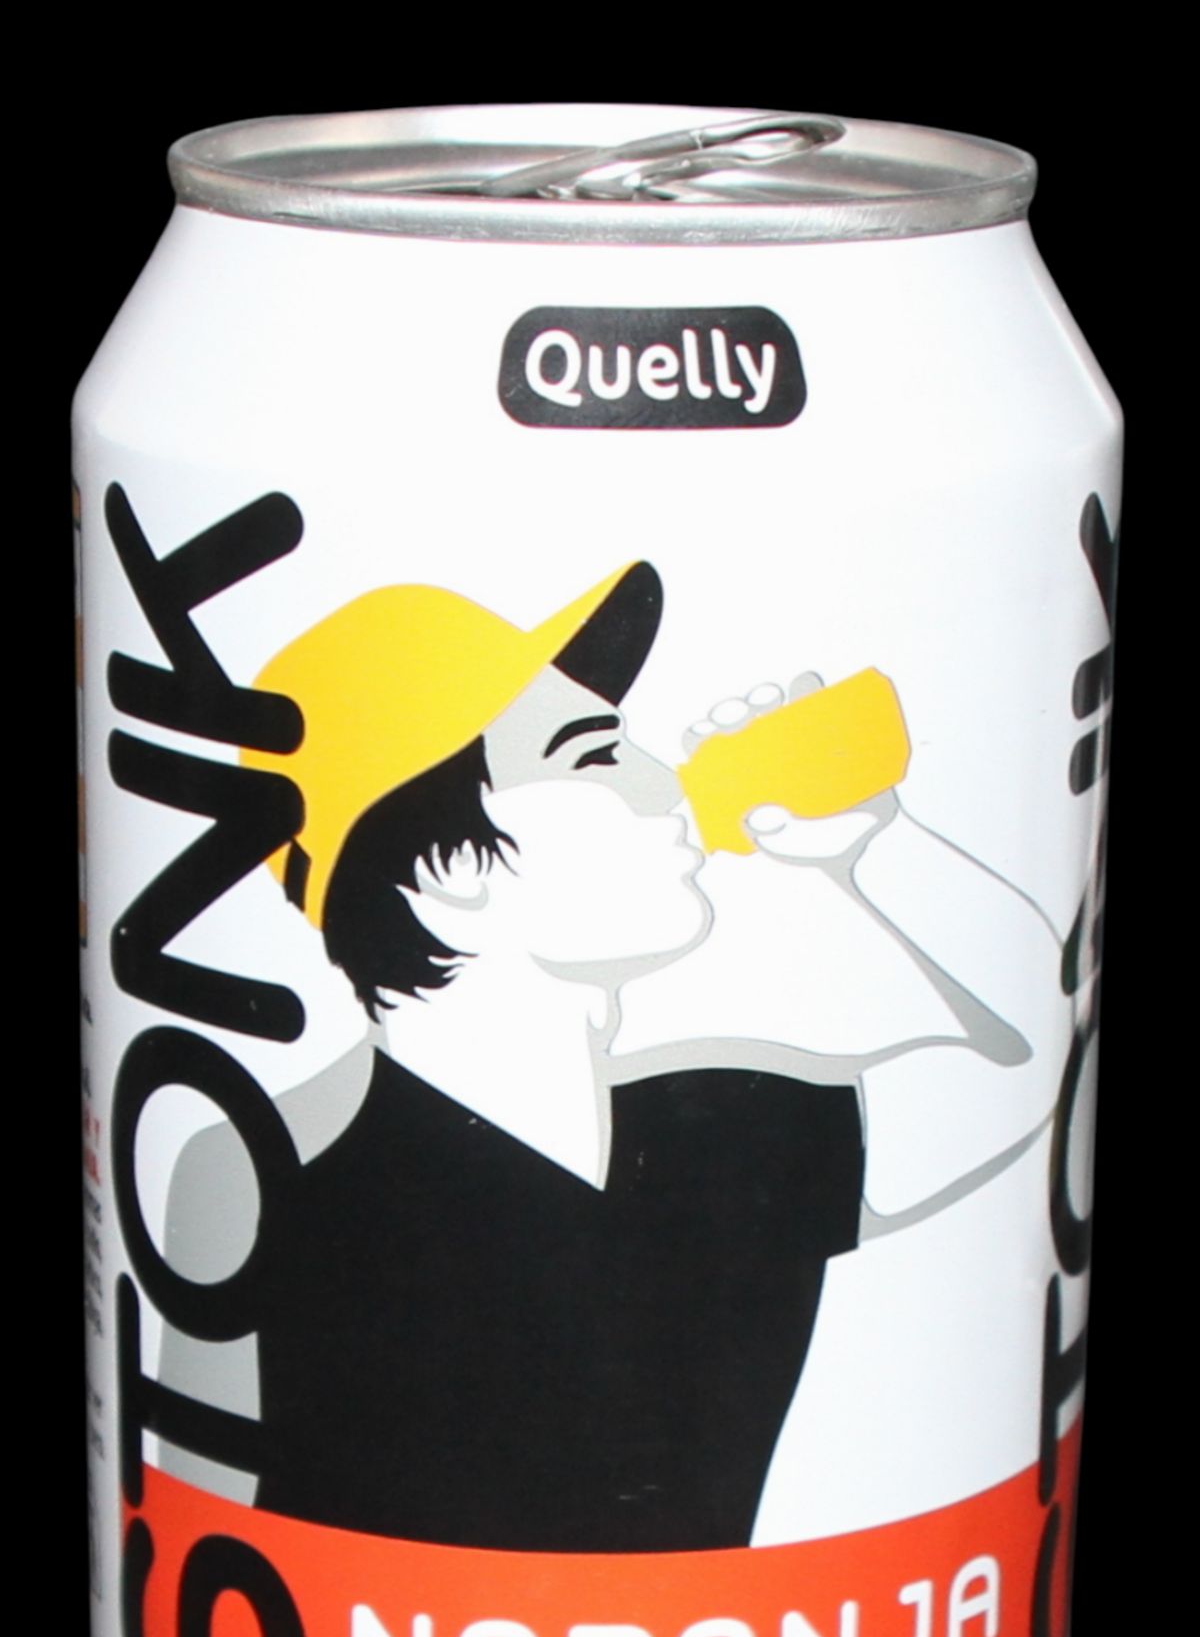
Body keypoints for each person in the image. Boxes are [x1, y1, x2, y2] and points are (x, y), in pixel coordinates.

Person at [161, 561, 1066, 1550]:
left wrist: (880, 844)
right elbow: (182, 1527)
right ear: (451, 870)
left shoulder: (731, 1136)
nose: (664, 782)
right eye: (595, 756)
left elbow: (1033, 1062)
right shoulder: (269, 1180)